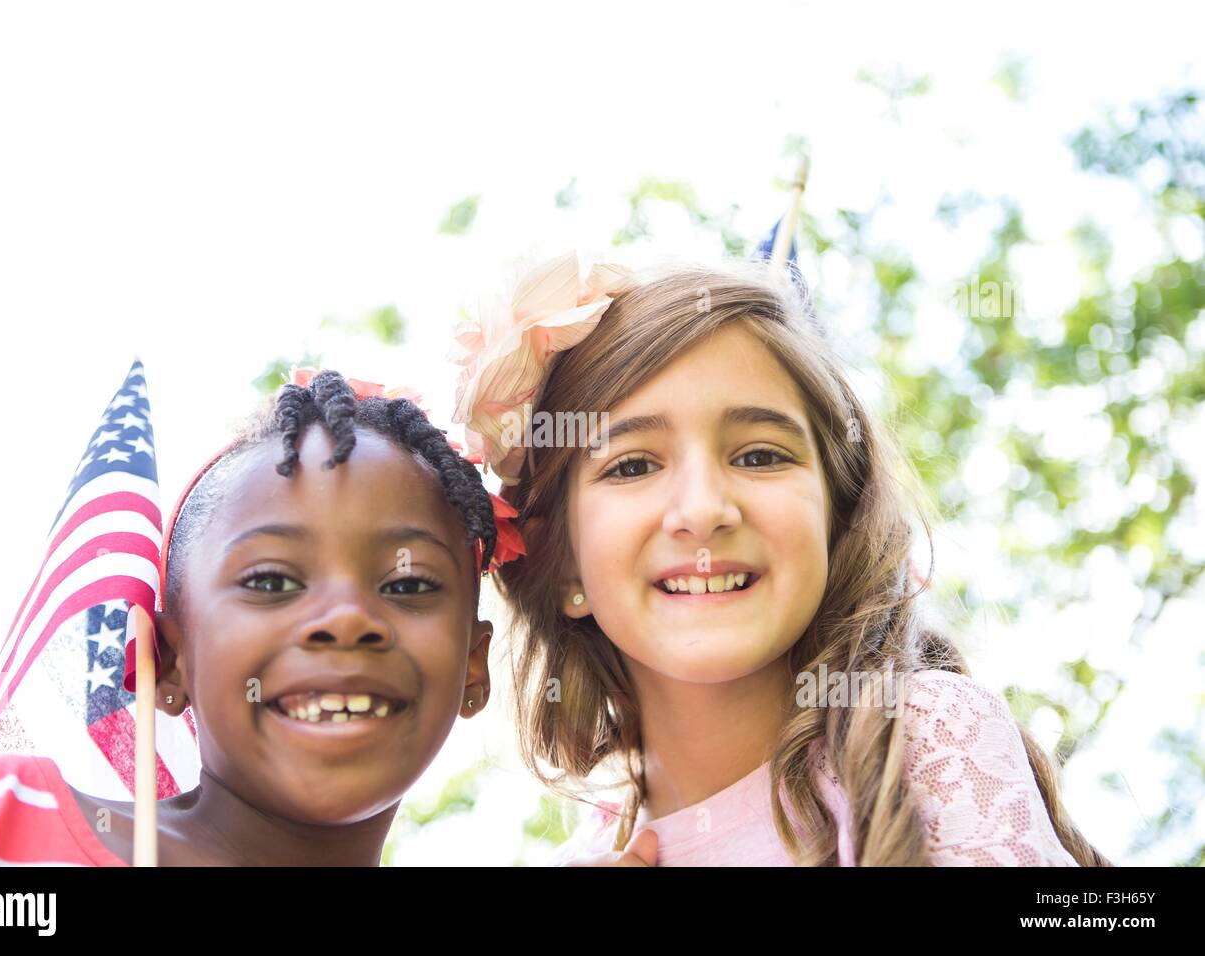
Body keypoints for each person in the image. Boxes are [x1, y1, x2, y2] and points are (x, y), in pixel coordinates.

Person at [451, 251, 1111, 866]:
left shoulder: (921, 746)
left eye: (761, 455)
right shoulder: (592, 854)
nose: (704, 508)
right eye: (631, 465)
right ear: (561, 565)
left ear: (836, 519)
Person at [0, 369, 519, 865]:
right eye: (272, 580)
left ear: (473, 664)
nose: (347, 619)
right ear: (166, 661)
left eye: (407, 583)